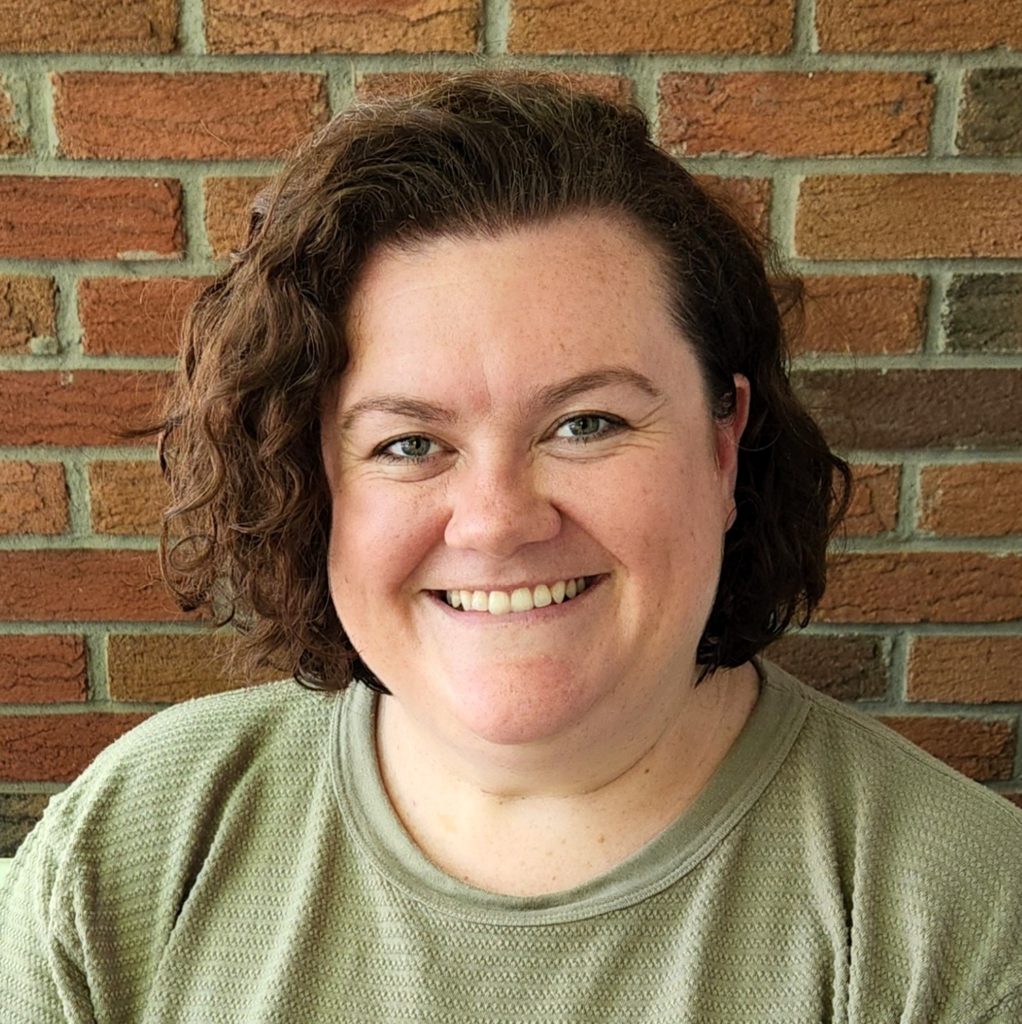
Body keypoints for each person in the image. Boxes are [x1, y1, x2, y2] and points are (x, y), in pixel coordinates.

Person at [2, 72, 1021, 1023]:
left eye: (586, 424)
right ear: (316, 484)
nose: (495, 520)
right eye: (409, 443)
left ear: (721, 446)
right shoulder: (135, 845)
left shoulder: (955, 917)